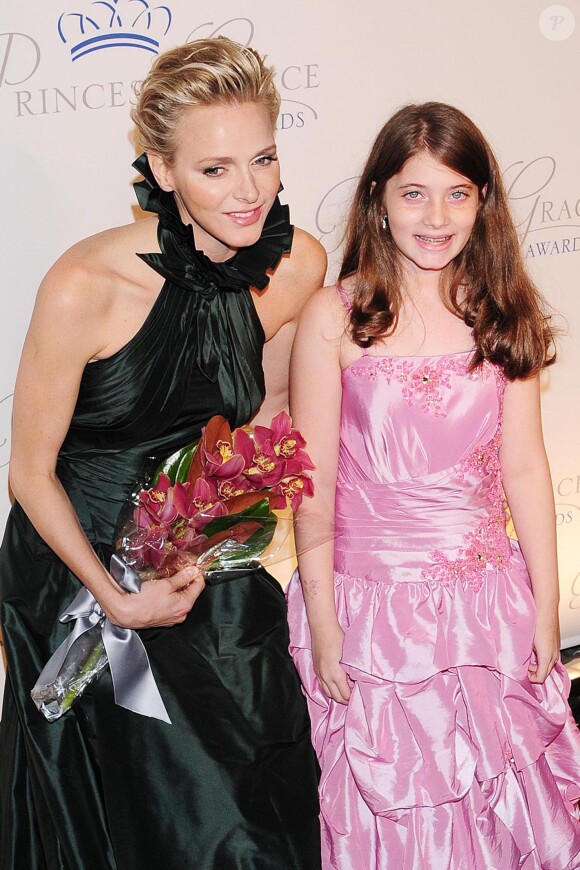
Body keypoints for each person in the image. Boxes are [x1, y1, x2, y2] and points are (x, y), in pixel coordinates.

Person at [0, 37, 326, 869]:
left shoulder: (298, 268)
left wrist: (236, 523)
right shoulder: (86, 284)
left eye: (263, 158)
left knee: (244, 800)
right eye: (215, 169)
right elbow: (29, 471)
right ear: (163, 168)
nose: (249, 190)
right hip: (78, 572)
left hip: (200, 554)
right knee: (123, 808)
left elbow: (270, 414)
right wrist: (116, 596)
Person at [286, 102, 580, 869]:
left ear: (483, 202)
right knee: (393, 804)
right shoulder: (334, 318)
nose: (436, 215)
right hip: (369, 615)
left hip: (485, 610)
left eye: (457, 192)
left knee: (501, 796)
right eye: (414, 192)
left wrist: (544, 609)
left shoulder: (501, 315)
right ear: (379, 199)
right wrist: (323, 622)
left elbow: (523, 469)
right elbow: (310, 487)